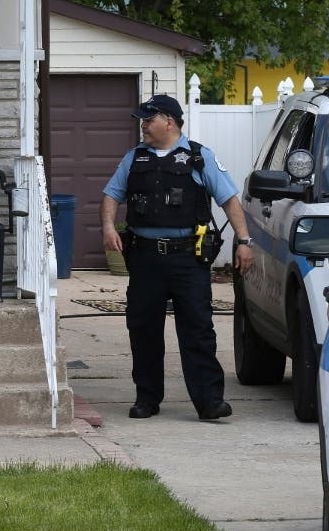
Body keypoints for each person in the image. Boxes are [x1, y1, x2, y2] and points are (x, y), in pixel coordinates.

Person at [100, 94, 254, 421]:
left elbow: (229, 199)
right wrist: (107, 227)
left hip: (188, 258)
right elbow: (111, 194)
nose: (143, 124)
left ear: (168, 121)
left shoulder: (198, 157)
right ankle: (147, 398)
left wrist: (244, 240)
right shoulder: (134, 158)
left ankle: (210, 402)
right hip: (144, 258)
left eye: (148, 118)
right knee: (143, 329)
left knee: (197, 330)